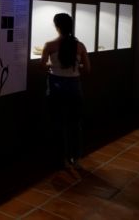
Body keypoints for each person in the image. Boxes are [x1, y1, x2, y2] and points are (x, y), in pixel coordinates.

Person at [41, 13, 91, 169]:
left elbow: (42, 65)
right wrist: (76, 67)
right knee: (75, 124)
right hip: (74, 87)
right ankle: (75, 159)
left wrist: (53, 66)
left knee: (58, 123)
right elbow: (88, 68)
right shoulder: (80, 46)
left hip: (56, 86)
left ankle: (61, 159)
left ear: (57, 26)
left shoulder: (49, 45)